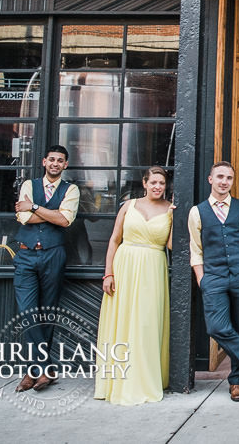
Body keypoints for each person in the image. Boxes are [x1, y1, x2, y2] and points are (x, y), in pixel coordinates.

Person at [188, 161, 239, 402]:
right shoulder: (197, 211)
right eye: (220, 177)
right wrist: (201, 279)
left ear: (233, 181)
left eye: (229, 178)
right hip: (213, 277)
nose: (224, 181)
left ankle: (236, 383)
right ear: (210, 179)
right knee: (216, 327)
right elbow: (196, 248)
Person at [95, 166, 173, 405]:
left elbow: (171, 246)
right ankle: (117, 380)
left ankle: (144, 378)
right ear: (145, 183)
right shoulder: (128, 206)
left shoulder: (170, 210)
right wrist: (108, 273)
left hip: (152, 267)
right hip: (124, 266)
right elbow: (114, 240)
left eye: (162, 183)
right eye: (154, 182)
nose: (158, 187)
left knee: (146, 323)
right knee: (122, 321)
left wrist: (177, 217)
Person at [12, 145, 80, 393]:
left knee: (47, 314)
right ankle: (46, 368)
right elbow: (23, 218)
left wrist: (33, 207)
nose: (55, 163)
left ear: (65, 165)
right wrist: (47, 213)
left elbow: (65, 220)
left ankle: (33, 373)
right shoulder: (29, 185)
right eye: (51, 159)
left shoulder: (70, 189)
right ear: (44, 162)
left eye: (60, 160)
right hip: (26, 255)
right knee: (28, 313)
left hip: (54, 255)